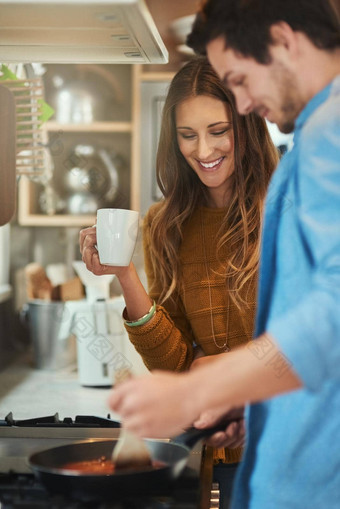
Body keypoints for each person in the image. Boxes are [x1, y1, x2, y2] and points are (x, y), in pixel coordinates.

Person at [108, 1, 340, 508]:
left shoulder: (330, 136)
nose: (242, 102)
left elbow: (334, 317)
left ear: (282, 41)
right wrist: (248, 400)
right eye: (188, 134)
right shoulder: (313, 143)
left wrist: (200, 389)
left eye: (238, 79)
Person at [80, 56, 278, 507]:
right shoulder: (165, 224)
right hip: (222, 453)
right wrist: (124, 275)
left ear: (246, 124)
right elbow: (177, 365)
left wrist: (220, 370)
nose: (203, 150)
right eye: (188, 135)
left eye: (219, 130)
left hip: (295, 443)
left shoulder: (287, 208)